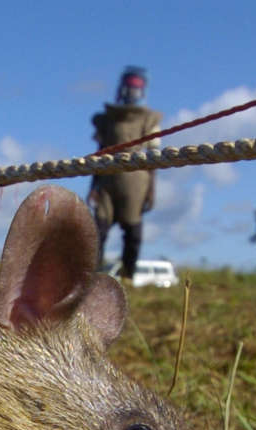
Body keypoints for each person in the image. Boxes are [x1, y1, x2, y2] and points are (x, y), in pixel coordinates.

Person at [87, 66, 162, 281]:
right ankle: (91, 276)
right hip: (107, 179)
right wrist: (94, 186)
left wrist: (151, 190)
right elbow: (99, 153)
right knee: (98, 229)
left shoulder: (149, 120)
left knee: (133, 232)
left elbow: (154, 157)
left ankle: (128, 276)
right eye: (129, 87)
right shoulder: (107, 120)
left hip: (136, 182)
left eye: (137, 87)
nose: (132, 91)